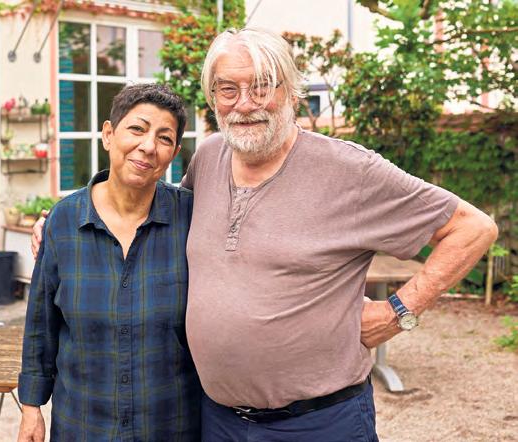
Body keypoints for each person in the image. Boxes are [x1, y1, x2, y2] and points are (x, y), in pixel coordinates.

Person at [33, 27, 498, 441]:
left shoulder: (350, 171)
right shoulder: (209, 157)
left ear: (291, 92)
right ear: (213, 99)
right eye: (228, 89)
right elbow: (151, 205)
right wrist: (68, 218)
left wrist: (400, 311)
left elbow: (472, 228)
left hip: (318, 423)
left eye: (261, 86)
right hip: (217, 420)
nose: (244, 104)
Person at [17, 83, 202, 442]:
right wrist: (31, 408)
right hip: (84, 424)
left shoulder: (193, 218)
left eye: (164, 138)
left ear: (175, 153)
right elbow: (41, 324)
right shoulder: (63, 222)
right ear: (108, 134)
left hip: (171, 424)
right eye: (137, 129)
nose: (148, 146)